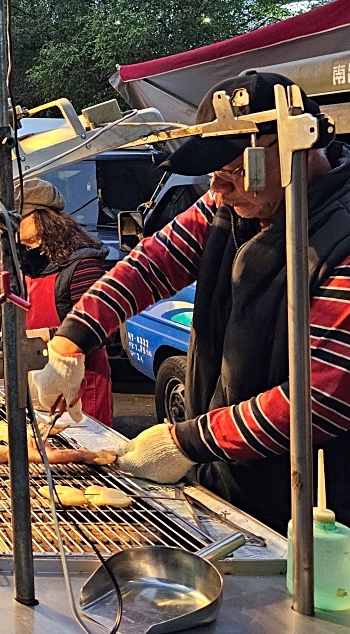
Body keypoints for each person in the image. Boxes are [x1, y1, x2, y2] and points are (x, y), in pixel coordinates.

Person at [29, 72, 350, 534]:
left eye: (234, 170)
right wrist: (71, 340)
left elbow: (322, 399)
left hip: (314, 506)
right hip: (231, 475)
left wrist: (188, 441)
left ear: (290, 147)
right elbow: (149, 265)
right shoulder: (231, 207)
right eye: (212, 175)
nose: (218, 189)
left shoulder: (340, 236)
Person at [0, 178, 112, 424]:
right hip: (33, 379)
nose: (8, 228)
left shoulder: (82, 263)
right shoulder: (17, 258)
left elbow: (101, 330)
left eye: (15, 219)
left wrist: (46, 334)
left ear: (41, 217)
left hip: (77, 386)